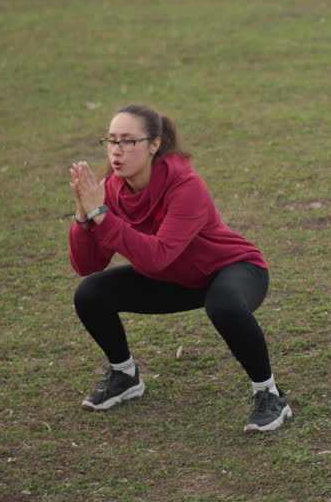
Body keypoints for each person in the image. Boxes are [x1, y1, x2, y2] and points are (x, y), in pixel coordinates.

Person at [68, 104, 290, 433]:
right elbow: (88, 265)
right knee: (91, 293)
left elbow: (158, 255)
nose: (117, 150)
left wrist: (101, 213)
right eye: (112, 140)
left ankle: (269, 394)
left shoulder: (186, 184)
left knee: (224, 304)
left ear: (154, 144)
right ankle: (125, 375)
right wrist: (83, 216)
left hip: (232, 268)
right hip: (174, 278)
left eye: (128, 141)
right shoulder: (110, 190)